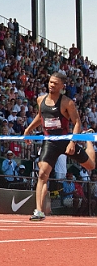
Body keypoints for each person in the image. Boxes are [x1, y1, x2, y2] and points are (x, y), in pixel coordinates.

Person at [24, 72, 96, 221]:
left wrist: (73, 142)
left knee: (90, 166)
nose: (51, 85)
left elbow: (76, 122)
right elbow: (40, 116)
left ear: (62, 86)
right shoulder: (40, 100)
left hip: (65, 141)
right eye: (50, 82)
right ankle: (39, 211)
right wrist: (28, 129)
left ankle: (88, 139)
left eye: (55, 83)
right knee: (43, 174)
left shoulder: (67, 102)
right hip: (49, 142)